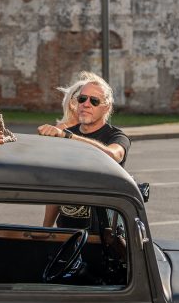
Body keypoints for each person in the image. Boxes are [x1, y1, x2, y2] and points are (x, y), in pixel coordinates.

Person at [37, 72, 130, 228]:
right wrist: (46, 228)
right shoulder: (66, 135)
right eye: (82, 99)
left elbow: (114, 155)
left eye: (94, 101)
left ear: (106, 107)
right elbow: (56, 186)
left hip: (102, 236)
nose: (86, 104)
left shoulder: (116, 136)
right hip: (66, 231)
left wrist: (69, 137)